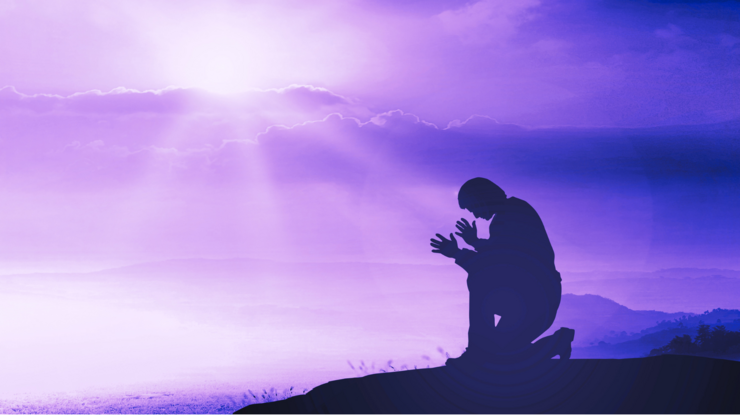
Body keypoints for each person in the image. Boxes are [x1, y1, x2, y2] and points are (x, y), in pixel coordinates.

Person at [430, 178, 574, 367]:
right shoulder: (512, 212)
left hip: (533, 301)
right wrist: (473, 244)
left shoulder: (510, 215)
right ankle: (556, 343)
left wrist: (458, 253)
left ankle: (476, 351)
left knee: (479, 281)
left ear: (482, 199)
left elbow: (495, 265)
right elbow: (501, 255)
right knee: (500, 358)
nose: (476, 215)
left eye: (473, 208)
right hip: (533, 299)